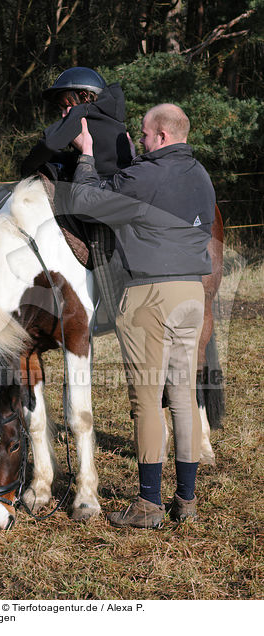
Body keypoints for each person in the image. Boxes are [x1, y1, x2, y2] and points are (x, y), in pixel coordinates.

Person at [67, 103, 216, 529]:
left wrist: (87, 154)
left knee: (146, 402)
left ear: (163, 136)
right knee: (183, 399)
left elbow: (85, 199)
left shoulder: (146, 174)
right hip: (191, 293)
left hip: (150, 295)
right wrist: (136, 162)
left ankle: (149, 503)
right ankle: (185, 500)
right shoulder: (201, 176)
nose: (143, 141)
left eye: (147, 136)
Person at [21, 66, 134, 180]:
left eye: (67, 106)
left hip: (96, 188)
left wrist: (26, 168)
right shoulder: (111, 117)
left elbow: (48, 144)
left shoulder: (82, 112)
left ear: (84, 97)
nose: (64, 115)